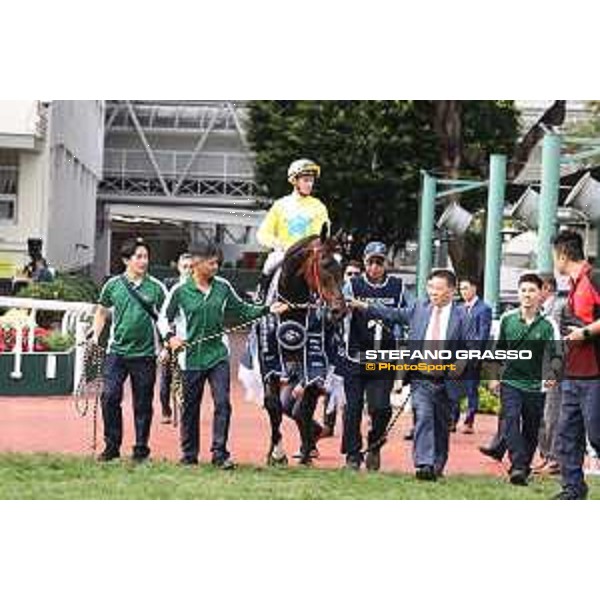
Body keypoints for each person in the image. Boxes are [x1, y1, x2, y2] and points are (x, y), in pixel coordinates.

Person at [158, 241, 288, 469]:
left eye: (217, 262)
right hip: (190, 358)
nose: (216, 266)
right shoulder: (180, 291)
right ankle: (189, 454)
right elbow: (163, 319)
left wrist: (268, 309)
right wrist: (170, 338)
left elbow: (242, 310)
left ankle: (220, 453)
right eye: (212, 262)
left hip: (218, 355)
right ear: (197, 263)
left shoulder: (223, 286)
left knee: (223, 404)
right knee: (190, 407)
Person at [352, 268, 466, 480]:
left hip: (447, 379)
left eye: (439, 288)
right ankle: (424, 464)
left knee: (441, 426)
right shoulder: (419, 309)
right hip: (421, 377)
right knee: (422, 417)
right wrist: (364, 306)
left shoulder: (462, 316)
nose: (433, 292)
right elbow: (392, 314)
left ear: (451, 291)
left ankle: (437, 464)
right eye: (430, 287)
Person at [91, 238, 167, 462]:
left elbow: (166, 319)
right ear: (126, 260)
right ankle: (112, 446)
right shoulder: (113, 285)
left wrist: (165, 347)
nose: (144, 261)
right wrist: (95, 335)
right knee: (109, 396)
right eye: (139, 257)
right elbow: (102, 312)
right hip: (117, 352)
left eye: (146, 256)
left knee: (143, 403)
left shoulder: (156, 287)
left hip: (145, 354)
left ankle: (141, 449)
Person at [488, 273, 561, 486]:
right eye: (523, 290)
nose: (527, 295)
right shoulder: (507, 319)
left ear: (541, 294)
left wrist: (553, 374)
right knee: (510, 420)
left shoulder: (548, 324)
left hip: (536, 385)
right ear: (518, 293)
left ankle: (522, 466)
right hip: (510, 381)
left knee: (531, 428)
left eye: (532, 290)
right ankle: (519, 465)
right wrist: (493, 377)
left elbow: (557, 353)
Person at [340, 241, 408, 471]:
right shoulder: (352, 284)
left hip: (384, 358)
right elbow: (337, 309)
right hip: (356, 356)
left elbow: (408, 314)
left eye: (380, 262)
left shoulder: (397, 287)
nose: (375, 267)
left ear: (386, 263)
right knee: (353, 407)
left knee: (380, 408)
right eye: (371, 262)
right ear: (365, 262)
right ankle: (352, 454)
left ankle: (375, 445)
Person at [552, 230, 600, 499]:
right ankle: (573, 489)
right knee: (566, 434)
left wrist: (584, 333)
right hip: (572, 373)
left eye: (553, 255)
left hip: (595, 373)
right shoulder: (573, 284)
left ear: (562, 255)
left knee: (597, 435)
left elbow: (586, 328)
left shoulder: (594, 278)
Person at [256, 159, 330, 298]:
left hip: (309, 255)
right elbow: (263, 233)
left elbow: (324, 234)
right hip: (285, 253)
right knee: (270, 263)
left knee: (330, 267)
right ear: (294, 181)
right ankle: (261, 295)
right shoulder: (280, 205)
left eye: (311, 180)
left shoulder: (319, 206)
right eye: (306, 180)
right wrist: (277, 244)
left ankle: (328, 305)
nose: (310, 184)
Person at [450, 277, 492, 434]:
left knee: (470, 389)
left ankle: (469, 421)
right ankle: (452, 421)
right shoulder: (458, 308)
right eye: (461, 289)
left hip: (473, 355)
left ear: (474, 288)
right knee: (453, 388)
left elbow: (483, 334)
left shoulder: (484, 309)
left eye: (466, 288)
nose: (463, 291)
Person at [534, 274, 566, 475]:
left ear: (545, 288)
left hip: (556, 371)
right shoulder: (541, 311)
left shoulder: (560, 307)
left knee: (552, 414)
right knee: (541, 415)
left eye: (534, 288)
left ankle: (555, 460)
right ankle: (547, 456)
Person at [158, 253, 193, 423]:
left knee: (189, 379)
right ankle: (166, 409)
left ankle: (186, 407)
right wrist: (166, 346)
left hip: (190, 343)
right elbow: (165, 319)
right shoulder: (171, 288)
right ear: (179, 268)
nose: (188, 270)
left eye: (191, 266)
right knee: (166, 378)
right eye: (185, 266)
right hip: (171, 339)